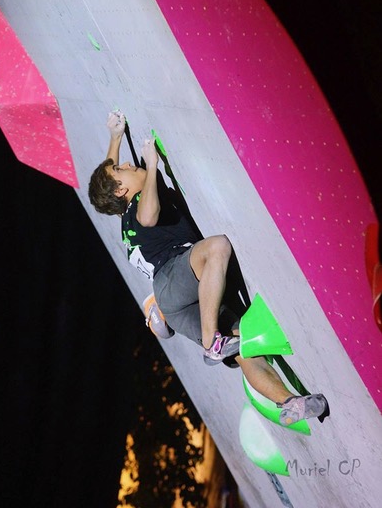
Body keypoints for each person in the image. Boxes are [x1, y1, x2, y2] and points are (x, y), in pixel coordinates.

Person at [88, 111, 328, 426]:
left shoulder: (125, 218)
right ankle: (211, 341)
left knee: (245, 347)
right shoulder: (138, 208)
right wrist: (152, 164)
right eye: (123, 168)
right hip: (173, 280)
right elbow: (148, 214)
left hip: (178, 305)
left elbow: (109, 180)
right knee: (217, 248)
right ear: (122, 191)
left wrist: (115, 137)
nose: (129, 164)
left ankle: (290, 404)